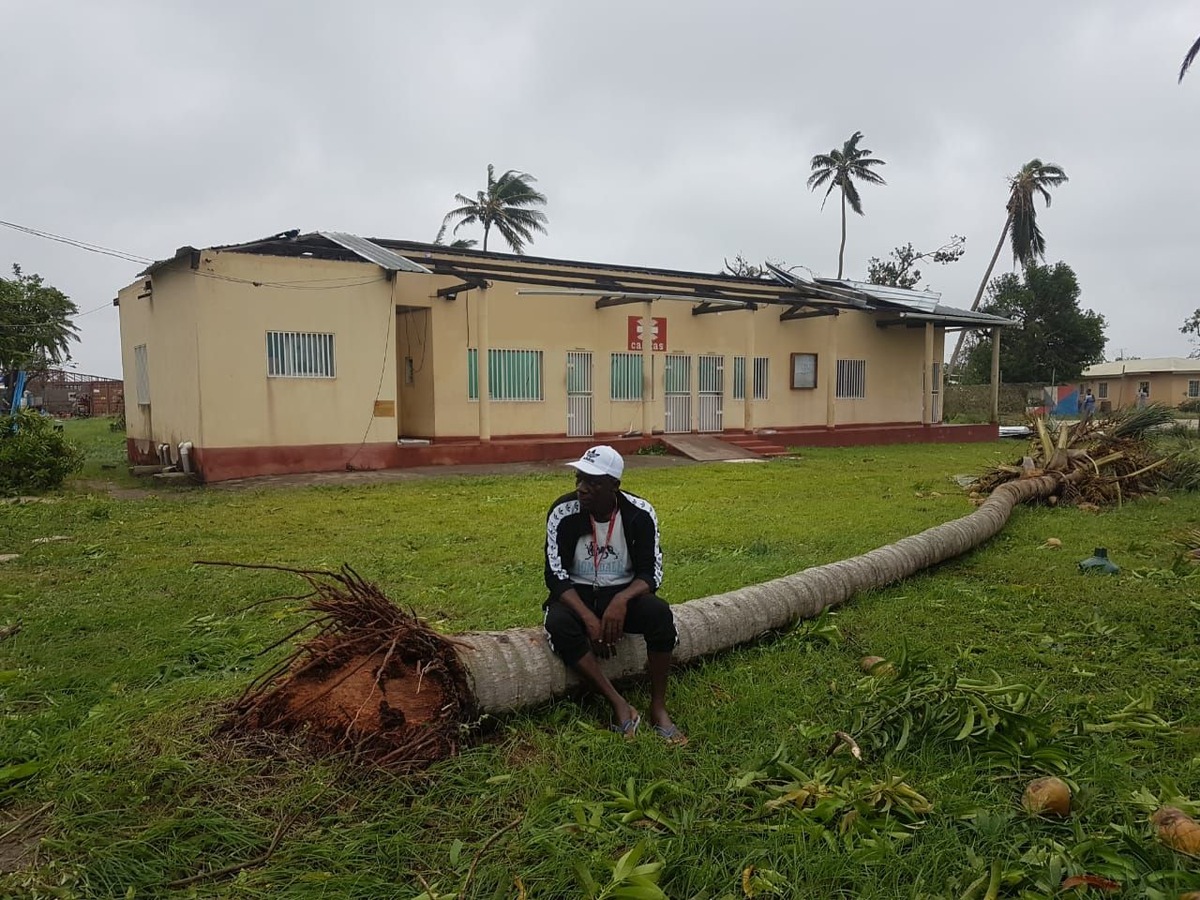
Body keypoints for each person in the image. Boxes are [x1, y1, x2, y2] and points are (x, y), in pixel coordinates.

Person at [542, 445, 686, 744]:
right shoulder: (562, 512)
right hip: (577, 596)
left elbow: (652, 573)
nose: (582, 488)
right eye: (579, 479)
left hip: (623, 594)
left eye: (593, 482)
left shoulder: (640, 513)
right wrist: (589, 619)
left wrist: (621, 601)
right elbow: (554, 576)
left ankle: (658, 708)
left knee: (659, 614)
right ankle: (619, 704)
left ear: (614, 486)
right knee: (558, 623)